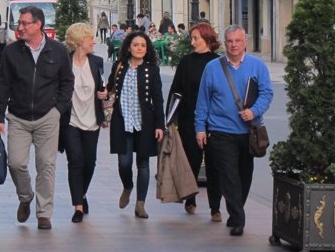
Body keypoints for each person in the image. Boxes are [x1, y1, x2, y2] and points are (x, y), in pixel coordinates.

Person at [0, 6, 74, 230]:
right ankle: (25, 195)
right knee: (16, 163)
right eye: (19, 23)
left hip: (48, 116)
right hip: (18, 117)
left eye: (24, 23)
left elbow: (67, 82)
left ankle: (43, 213)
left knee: (46, 165)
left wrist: (58, 110)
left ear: (38, 24)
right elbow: (4, 85)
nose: (19, 28)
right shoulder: (11, 52)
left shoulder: (58, 51)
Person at [195, 24, 273, 236]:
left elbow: (267, 93)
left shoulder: (257, 66)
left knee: (244, 175)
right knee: (228, 175)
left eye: (238, 41)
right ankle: (238, 218)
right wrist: (200, 128)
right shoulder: (212, 67)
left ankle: (236, 210)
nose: (234, 45)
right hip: (221, 131)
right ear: (224, 42)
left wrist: (254, 111)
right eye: (229, 41)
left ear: (244, 41)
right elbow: (203, 100)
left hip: (248, 132)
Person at [106, 31, 165, 219]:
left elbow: (158, 99)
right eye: (135, 45)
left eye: (143, 46)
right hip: (122, 121)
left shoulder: (151, 70)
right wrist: (104, 94)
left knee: (143, 163)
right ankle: (127, 186)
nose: (139, 48)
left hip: (144, 123)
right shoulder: (119, 66)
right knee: (124, 162)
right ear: (128, 47)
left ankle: (140, 203)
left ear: (147, 49)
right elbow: (109, 89)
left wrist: (159, 125)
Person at [167, 22, 222, 221]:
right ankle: (190, 198)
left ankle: (215, 207)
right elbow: (176, 90)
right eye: (192, 38)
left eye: (196, 38)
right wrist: (170, 118)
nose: (192, 42)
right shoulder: (186, 62)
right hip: (189, 119)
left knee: (215, 165)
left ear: (207, 39)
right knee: (191, 161)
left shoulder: (217, 63)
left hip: (213, 121)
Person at [59, 23, 107, 223]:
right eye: (90, 39)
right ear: (80, 42)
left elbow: (103, 87)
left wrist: (104, 94)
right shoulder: (64, 63)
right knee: (76, 161)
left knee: (90, 163)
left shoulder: (96, 62)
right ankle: (78, 206)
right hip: (71, 120)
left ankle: (83, 193)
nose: (94, 42)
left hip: (92, 120)